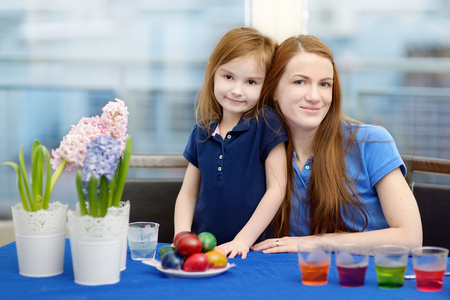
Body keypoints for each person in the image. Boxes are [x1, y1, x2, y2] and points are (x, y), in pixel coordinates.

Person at [251, 35, 422, 254]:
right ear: (273, 90)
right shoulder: (260, 152)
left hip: (369, 278)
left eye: (324, 84)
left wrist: (320, 242)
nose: (314, 96)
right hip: (299, 279)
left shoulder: (372, 142)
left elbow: (411, 237)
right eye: (300, 82)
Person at [174, 27, 288, 259]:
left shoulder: (268, 122)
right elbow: (187, 193)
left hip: (253, 251)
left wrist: (242, 241)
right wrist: (182, 236)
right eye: (228, 77)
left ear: (265, 85)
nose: (237, 90)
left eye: (251, 82)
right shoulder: (201, 131)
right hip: (204, 251)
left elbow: (277, 189)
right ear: (212, 72)